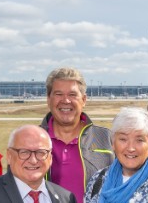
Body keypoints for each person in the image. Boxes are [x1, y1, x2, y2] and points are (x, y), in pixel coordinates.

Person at [42, 67, 112, 201]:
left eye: (72, 95)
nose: (66, 100)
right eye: (58, 94)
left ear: (84, 100)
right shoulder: (31, 140)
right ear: (48, 99)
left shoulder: (106, 138)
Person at [0, 125, 77, 203]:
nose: (33, 160)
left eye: (41, 152)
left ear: (50, 158)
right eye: (24, 152)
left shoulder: (66, 198)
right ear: (9, 156)